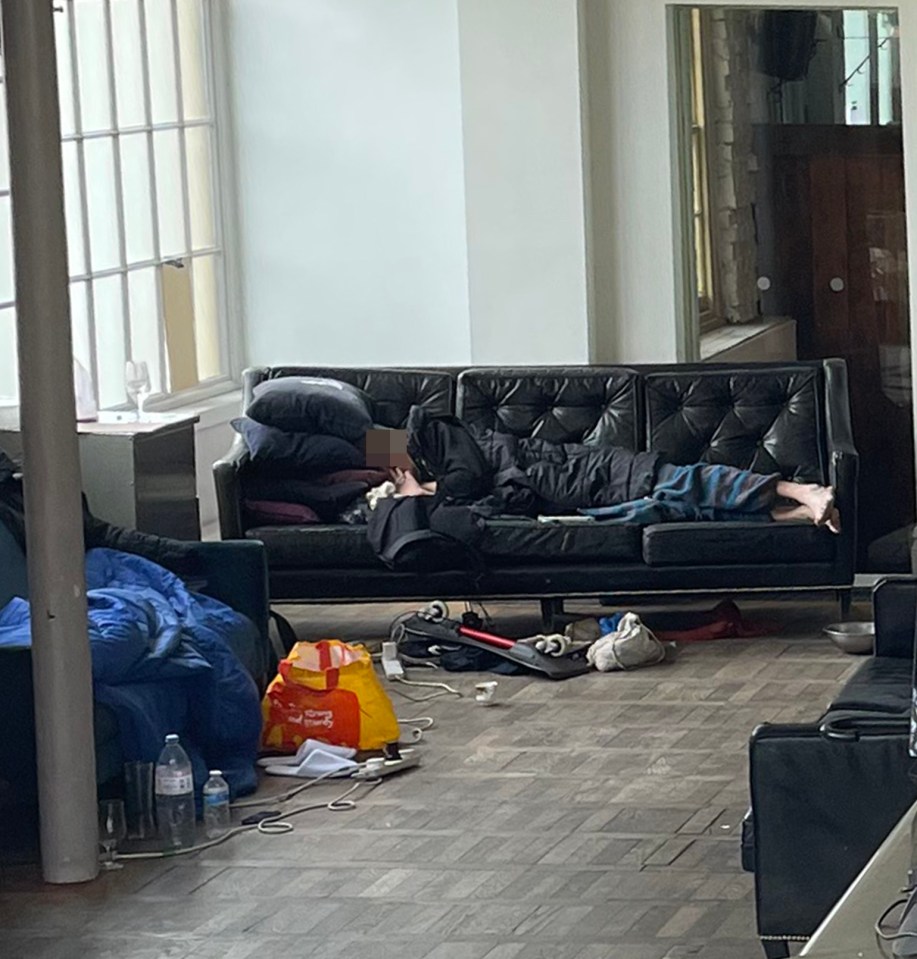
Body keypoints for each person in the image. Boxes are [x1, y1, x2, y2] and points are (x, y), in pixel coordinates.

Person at [390, 460, 841, 533]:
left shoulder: (416, 428)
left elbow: (478, 473)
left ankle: (801, 489)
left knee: (684, 482)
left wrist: (420, 491)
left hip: (581, 471)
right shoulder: (359, 463)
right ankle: (797, 514)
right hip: (572, 502)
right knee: (670, 510)